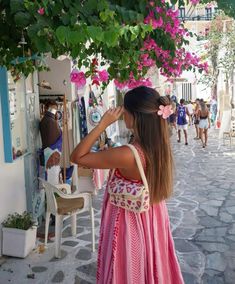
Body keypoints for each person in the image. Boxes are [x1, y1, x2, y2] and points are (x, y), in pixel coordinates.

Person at [70, 86, 184, 284]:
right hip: (153, 216)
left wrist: (102, 124)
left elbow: (77, 157)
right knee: (151, 265)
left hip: (130, 223)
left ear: (134, 116)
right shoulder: (158, 145)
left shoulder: (128, 153)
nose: (122, 116)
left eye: (125, 111)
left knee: (128, 270)